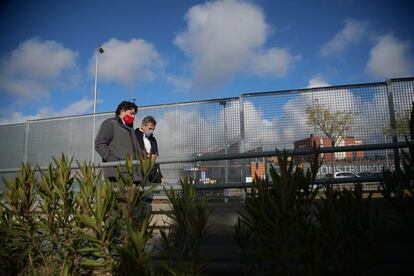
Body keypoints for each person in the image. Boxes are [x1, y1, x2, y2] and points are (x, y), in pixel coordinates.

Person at [95, 101, 141, 182]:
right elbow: (99, 144)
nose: (133, 117)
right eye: (131, 113)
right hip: (118, 174)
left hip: (132, 173)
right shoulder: (110, 124)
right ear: (122, 111)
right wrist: (115, 161)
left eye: (134, 114)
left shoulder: (130, 129)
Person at [135, 116, 163, 184]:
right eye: (150, 128)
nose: (151, 131)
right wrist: (148, 156)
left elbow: (156, 158)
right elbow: (134, 152)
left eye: (153, 129)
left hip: (151, 172)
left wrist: (159, 174)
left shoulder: (153, 139)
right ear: (142, 125)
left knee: (150, 193)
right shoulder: (134, 136)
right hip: (139, 172)